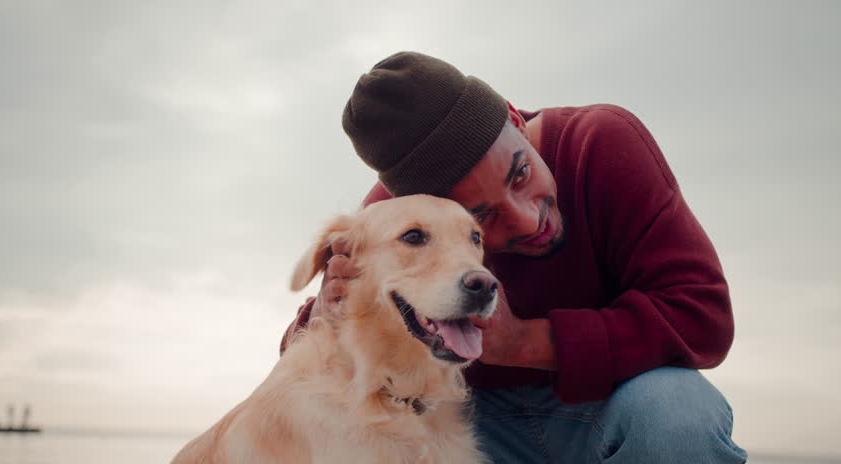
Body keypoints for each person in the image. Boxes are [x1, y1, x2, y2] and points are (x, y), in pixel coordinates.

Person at [281, 51, 748, 463]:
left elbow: (702, 317)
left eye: (520, 173)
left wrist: (522, 342)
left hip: (615, 409)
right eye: (481, 218)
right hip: (465, 429)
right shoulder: (397, 224)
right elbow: (296, 358)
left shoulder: (602, 143)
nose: (527, 221)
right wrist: (327, 313)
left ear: (514, 118)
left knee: (677, 412)